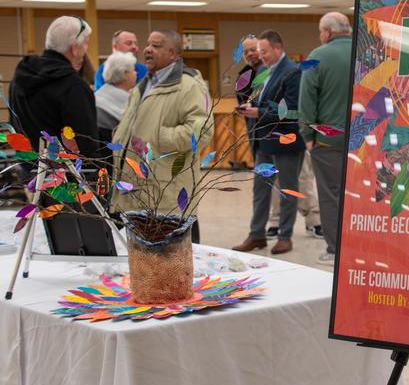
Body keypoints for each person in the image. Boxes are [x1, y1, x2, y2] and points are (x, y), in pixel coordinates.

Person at [112, 30, 213, 241]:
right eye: (148, 44)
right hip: (137, 188)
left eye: (156, 46)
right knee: (142, 262)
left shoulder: (189, 86)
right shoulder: (142, 86)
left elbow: (201, 131)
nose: (148, 49)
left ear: (173, 53)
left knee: (171, 263)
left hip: (167, 191)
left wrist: (158, 137)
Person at [232, 30, 305, 255]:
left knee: (287, 190)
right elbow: (261, 100)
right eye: (258, 51)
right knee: (260, 191)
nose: (260, 55)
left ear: (277, 48)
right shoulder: (265, 72)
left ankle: (285, 236)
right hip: (263, 141)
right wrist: (250, 108)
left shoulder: (292, 72)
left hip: (286, 141)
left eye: (264, 51)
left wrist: (259, 112)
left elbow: (292, 110)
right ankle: (257, 235)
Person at [299, 12, 353, 266]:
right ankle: (358, 247)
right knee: (358, 196)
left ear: (327, 32)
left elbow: (307, 100)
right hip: (364, 140)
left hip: (328, 140)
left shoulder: (317, 56)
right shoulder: (366, 52)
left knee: (331, 195)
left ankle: (335, 250)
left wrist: (307, 134)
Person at [9, 15, 100, 160]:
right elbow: (86, 144)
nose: (86, 49)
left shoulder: (20, 77)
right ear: (75, 48)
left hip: (28, 170)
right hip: (66, 177)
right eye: (86, 43)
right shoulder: (73, 86)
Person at [95, 51, 137, 173]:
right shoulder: (125, 104)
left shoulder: (97, 96)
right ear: (125, 74)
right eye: (133, 70)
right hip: (115, 165)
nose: (136, 73)